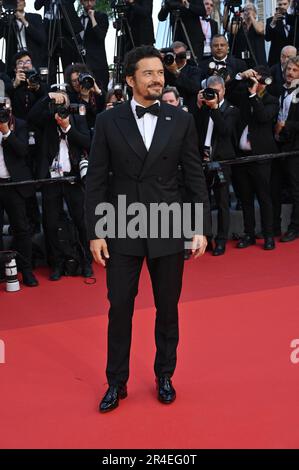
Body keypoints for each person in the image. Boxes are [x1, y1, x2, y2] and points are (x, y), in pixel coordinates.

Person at [85, 45, 211, 413]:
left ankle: (165, 374)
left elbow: (193, 176)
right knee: (119, 306)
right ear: (130, 79)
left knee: (167, 308)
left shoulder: (181, 119)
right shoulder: (108, 121)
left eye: (160, 73)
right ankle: (116, 381)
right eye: (148, 73)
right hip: (122, 223)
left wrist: (199, 226)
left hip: (168, 224)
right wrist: (95, 231)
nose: (158, 78)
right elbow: (94, 180)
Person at [0, 0, 46, 73]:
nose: (18, 2)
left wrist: (24, 21)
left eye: (20, 0)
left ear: (25, 3)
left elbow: (42, 39)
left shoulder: (35, 17)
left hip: (33, 59)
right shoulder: (7, 20)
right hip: (14, 60)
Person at [79, 0, 109, 91]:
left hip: (98, 64)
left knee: (101, 92)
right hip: (83, 64)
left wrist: (92, 17)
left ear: (95, 1)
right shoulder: (79, 19)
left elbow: (100, 36)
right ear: (81, 2)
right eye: (85, 1)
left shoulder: (102, 17)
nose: (88, 4)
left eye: (91, 0)